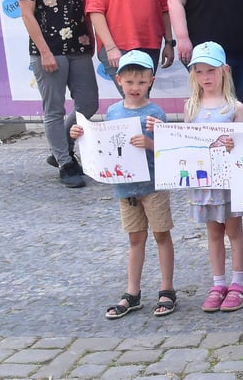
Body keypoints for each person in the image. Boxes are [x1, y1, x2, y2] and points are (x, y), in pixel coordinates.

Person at [70, 50, 176, 318]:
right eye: (130, 82)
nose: (135, 87)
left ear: (150, 81)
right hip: (125, 188)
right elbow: (103, 144)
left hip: (153, 185)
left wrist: (150, 142)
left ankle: (167, 288)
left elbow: (170, 151)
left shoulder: (155, 113)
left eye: (141, 82)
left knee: (162, 235)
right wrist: (80, 135)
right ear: (119, 81)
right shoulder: (114, 112)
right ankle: (133, 291)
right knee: (135, 239)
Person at [16, 0, 99, 188]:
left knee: (88, 104)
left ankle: (59, 146)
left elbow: (84, 5)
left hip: (79, 45)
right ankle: (65, 162)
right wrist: (45, 52)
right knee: (53, 108)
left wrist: (92, 36)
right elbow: (28, 16)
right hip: (48, 50)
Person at [179, 42, 243, 314]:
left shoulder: (234, 107)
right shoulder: (191, 107)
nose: (205, 77)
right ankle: (218, 283)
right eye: (199, 72)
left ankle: (238, 283)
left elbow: (241, 143)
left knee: (234, 230)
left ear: (224, 71)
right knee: (213, 232)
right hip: (205, 181)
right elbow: (186, 144)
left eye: (210, 70)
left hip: (229, 181)